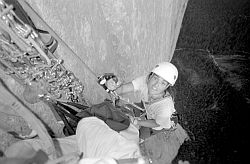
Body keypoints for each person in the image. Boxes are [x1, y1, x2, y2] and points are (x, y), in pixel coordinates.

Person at [106, 62, 189, 164]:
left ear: (167, 86)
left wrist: (138, 122)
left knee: (140, 135)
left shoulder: (165, 108)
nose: (156, 85)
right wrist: (112, 89)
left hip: (159, 124)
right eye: (155, 78)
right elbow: (123, 88)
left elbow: (156, 123)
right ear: (150, 76)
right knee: (121, 105)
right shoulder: (145, 81)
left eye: (163, 83)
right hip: (148, 107)